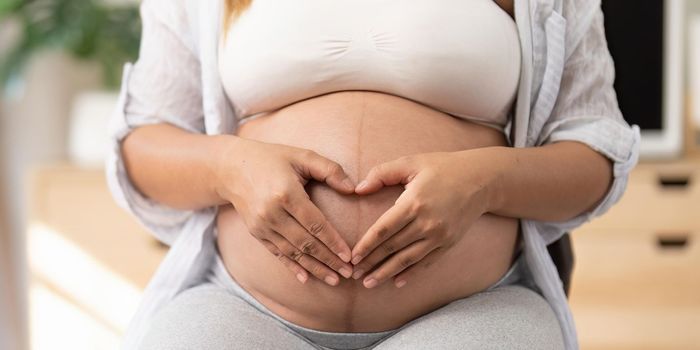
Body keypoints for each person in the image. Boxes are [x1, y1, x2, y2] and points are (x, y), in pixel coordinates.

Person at [106, 0, 640, 349]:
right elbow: (144, 145)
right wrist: (229, 167)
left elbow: (593, 155)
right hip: (243, 307)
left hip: (469, 311)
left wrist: (485, 181)